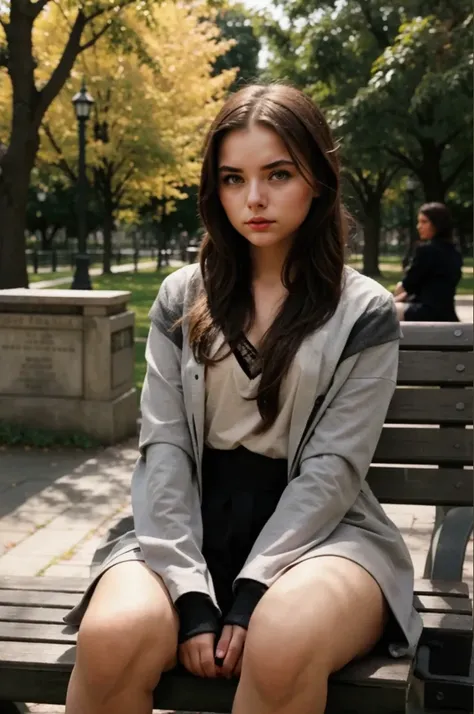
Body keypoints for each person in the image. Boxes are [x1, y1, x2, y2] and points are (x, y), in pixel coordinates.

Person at [64, 84, 422, 714]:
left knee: (279, 639)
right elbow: (166, 446)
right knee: (114, 638)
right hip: (187, 527)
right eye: (233, 179)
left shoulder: (362, 310)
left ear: (317, 177)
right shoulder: (181, 297)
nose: (253, 199)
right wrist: (191, 594)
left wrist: (253, 590)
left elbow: (334, 469)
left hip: (323, 536)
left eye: (277, 174)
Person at [393, 202, 463, 321]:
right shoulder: (455, 252)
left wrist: (397, 293)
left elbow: (408, 285)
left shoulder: (426, 250)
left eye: (424, 222)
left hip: (426, 312)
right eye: (419, 222)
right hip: (448, 314)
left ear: (438, 224)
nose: (418, 226)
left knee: (382, 314)